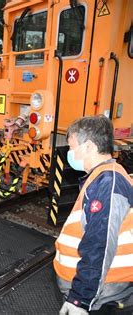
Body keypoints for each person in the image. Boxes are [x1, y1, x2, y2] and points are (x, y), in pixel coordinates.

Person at [54, 116, 132, 314]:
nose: (70, 153)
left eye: (72, 147)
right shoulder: (103, 176)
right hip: (98, 289)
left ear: (88, 147)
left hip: (100, 294)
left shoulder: (107, 184)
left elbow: (101, 243)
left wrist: (80, 299)